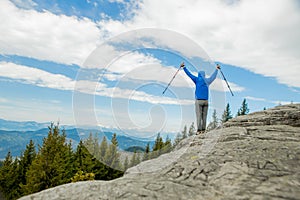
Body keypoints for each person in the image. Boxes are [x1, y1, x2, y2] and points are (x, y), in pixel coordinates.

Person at [180, 62, 220, 134]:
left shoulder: (197, 80)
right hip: (206, 101)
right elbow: (213, 76)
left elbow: (189, 75)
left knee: (199, 116)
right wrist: (217, 69)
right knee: (204, 116)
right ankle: (204, 130)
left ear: (199, 75)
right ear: (204, 75)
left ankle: (199, 130)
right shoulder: (207, 81)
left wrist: (184, 67)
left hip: (198, 101)